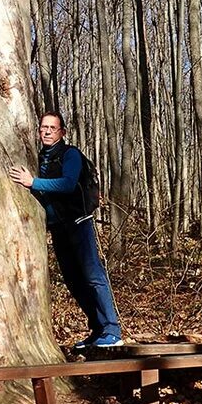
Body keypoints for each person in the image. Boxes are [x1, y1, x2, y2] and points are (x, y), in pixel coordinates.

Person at [9, 111, 123, 350]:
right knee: (73, 280)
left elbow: (68, 184)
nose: (47, 131)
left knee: (92, 275)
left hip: (78, 222)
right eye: (43, 128)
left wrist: (33, 182)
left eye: (52, 128)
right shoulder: (40, 157)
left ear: (62, 132)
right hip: (59, 228)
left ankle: (112, 329)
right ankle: (97, 329)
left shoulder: (70, 155)